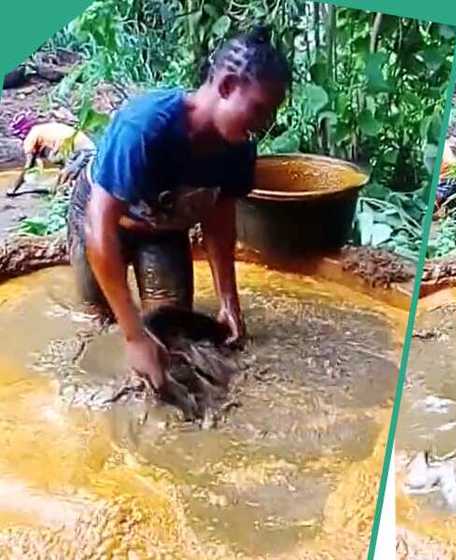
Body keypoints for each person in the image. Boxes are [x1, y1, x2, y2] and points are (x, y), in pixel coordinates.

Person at [67, 26, 291, 396]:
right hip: (103, 222)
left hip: (163, 231)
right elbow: (99, 227)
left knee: (173, 336)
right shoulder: (144, 128)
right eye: (258, 109)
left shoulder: (238, 149)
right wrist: (133, 335)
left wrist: (228, 303)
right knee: (99, 318)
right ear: (226, 86)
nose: (262, 124)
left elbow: (220, 221)